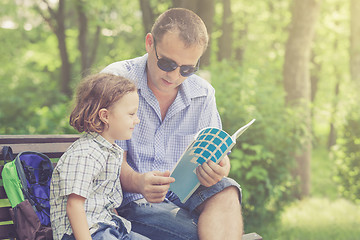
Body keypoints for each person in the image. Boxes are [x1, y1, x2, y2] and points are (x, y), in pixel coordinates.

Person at [102, 8, 243, 240]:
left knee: (227, 189)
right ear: (150, 43)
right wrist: (139, 182)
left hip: (184, 195)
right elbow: (106, 163)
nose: (175, 76)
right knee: (201, 234)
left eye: (188, 69)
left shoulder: (203, 93)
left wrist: (218, 169)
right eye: (167, 64)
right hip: (134, 203)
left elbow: (218, 155)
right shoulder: (117, 81)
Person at [50, 73, 149, 240]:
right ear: (105, 116)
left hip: (108, 227)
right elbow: (74, 206)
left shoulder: (110, 151)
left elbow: (104, 201)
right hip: (83, 233)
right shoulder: (85, 154)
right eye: (131, 114)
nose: (137, 120)